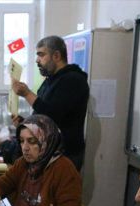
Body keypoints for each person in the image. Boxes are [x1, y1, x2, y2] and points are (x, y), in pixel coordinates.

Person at [11, 36, 89, 171]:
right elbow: (43, 114)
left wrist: (26, 93)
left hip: (64, 156)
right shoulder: (50, 80)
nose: (37, 60)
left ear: (56, 55)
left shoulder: (73, 80)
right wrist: (28, 124)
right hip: (47, 154)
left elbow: (52, 114)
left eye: (41, 55)